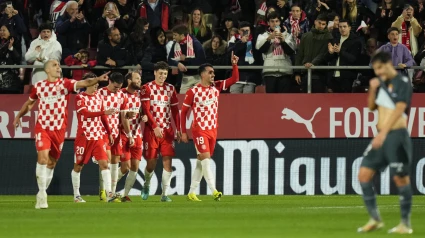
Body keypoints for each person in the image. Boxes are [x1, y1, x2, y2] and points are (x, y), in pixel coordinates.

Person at [12, 60, 110, 209]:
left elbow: (84, 83)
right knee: (43, 158)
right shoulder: (39, 86)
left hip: (59, 130)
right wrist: (19, 116)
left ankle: (41, 192)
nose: (58, 67)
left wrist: (97, 79)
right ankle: (43, 194)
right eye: (55, 65)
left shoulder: (64, 84)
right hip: (43, 127)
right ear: (47, 70)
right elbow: (30, 103)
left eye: (59, 65)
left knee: (51, 163)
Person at [357, 51, 413, 234]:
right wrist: (372, 89)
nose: (378, 72)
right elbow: (372, 107)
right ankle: (375, 219)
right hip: (382, 135)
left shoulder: (402, 83)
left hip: (396, 136)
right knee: (364, 174)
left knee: (400, 178)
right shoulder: (381, 84)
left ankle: (405, 224)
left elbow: (400, 109)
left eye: (380, 68)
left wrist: (383, 134)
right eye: (375, 70)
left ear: (389, 64)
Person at [181, 53, 239, 202]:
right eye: (210, 72)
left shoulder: (217, 86)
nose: (213, 74)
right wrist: (183, 132)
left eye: (213, 72)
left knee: (201, 162)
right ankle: (214, 191)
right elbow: (183, 113)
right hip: (199, 130)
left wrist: (234, 65)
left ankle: (191, 192)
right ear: (202, 74)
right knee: (206, 160)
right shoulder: (193, 91)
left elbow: (235, 79)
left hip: (213, 130)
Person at [72, 73, 119, 203]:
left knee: (105, 164)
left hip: (98, 136)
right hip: (84, 137)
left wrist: (109, 131)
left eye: (97, 84)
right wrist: (103, 112)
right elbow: (86, 114)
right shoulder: (80, 98)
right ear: (87, 84)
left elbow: (103, 117)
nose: (96, 86)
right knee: (78, 166)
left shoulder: (98, 96)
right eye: (94, 84)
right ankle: (76, 195)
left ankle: (109, 193)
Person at [140, 61, 181, 202]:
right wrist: (155, 126)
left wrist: (179, 129)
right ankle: (146, 184)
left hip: (167, 130)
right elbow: (146, 109)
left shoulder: (170, 89)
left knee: (168, 162)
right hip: (151, 130)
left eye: (165, 73)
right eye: (160, 73)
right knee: (151, 163)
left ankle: (164, 194)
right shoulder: (147, 88)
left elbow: (175, 111)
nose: (163, 76)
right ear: (155, 73)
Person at [97, 72, 128, 202]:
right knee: (106, 161)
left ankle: (112, 193)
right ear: (109, 81)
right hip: (102, 132)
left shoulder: (122, 95)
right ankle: (104, 191)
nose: (117, 89)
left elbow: (123, 115)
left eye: (120, 87)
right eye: (115, 87)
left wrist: (128, 133)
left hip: (115, 132)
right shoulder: (99, 94)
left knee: (115, 162)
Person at [117, 71, 148, 202]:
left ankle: (124, 194)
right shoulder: (120, 94)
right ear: (129, 81)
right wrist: (123, 116)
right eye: (137, 79)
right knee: (125, 167)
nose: (139, 81)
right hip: (123, 134)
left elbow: (140, 112)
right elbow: (114, 114)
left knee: (135, 166)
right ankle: (109, 188)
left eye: (140, 79)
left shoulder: (139, 95)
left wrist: (143, 116)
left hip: (137, 134)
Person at [256, 12, 296, 93]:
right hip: (270, 71)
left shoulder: (287, 35)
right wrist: (269, 38)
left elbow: (291, 51)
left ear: (280, 22)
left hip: (285, 71)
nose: (275, 23)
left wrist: (283, 41)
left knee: (284, 100)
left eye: (277, 21)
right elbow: (260, 49)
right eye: (272, 21)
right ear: (268, 23)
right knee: (271, 101)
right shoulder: (262, 36)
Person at [295, 14, 333, 93]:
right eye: (319, 23)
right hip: (305, 73)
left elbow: (323, 54)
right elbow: (299, 55)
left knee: (318, 102)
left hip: (319, 75)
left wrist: (312, 64)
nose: (321, 26)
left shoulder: (328, 37)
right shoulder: (305, 36)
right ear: (315, 22)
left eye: (323, 24)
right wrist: (297, 72)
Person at [168, 24, 206, 94]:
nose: (173, 37)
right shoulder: (175, 44)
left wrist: (185, 60)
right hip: (185, 76)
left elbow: (202, 61)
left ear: (182, 36)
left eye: (175, 35)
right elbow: (169, 60)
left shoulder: (195, 43)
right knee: (182, 99)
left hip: (198, 76)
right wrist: (178, 64)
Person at [326, 19, 361, 93]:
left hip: (347, 77)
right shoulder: (334, 40)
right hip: (333, 76)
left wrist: (340, 51)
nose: (342, 29)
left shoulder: (356, 41)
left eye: (344, 26)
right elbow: (328, 59)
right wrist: (330, 52)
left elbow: (353, 59)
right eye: (340, 27)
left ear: (349, 28)